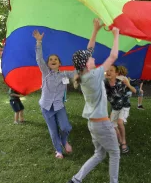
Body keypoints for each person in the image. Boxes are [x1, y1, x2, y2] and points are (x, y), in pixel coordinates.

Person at [68, 19, 120, 183]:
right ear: (87, 65)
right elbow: (113, 56)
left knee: (99, 154)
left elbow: (88, 50)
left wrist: (95, 30)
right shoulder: (94, 75)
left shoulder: (82, 74)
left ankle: (76, 179)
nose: (93, 58)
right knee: (115, 153)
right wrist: (116, 35)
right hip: (102, 124)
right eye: (90, 59)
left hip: (93, 123)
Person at [33, 29, 75, 159]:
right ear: (48, 63)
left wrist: (87, 67)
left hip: (59, 106)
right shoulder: (45, 72)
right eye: (50, 59)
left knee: (65, 127)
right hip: (46, 106)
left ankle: (64, 141)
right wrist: (39, 41)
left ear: (60, 63)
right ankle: (58, 150)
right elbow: (39, 58)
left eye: (55, 59)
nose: (53, 60)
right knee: (53, 130)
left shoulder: (65, 74)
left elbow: (78, 74)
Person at [104, 65, 136, 154]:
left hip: (124, 106)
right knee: (113, 126)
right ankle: (119, 141)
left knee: (120, 122)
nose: (109, 72)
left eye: (111, 70)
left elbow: (134, 91)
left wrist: (128, 85)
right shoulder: (105, 83)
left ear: (117, 73)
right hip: (115, 108)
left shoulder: (121, 81)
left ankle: (124, 142)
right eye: (107, 70)